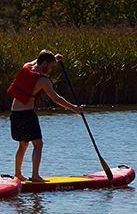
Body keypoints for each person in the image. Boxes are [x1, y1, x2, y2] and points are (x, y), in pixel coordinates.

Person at [8, 49, 83, 180]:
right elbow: (56, 98)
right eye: (50, 66)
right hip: (26, 115)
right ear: (44, 63)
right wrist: (74, 108)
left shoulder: (27, 66)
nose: (50, 69)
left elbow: (36, 61)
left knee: (23, 144)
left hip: (14, 114)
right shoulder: (43, 80)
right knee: (38, 144)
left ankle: (18, 174)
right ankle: (35, 176)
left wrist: (54, 58)